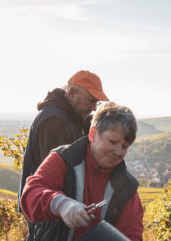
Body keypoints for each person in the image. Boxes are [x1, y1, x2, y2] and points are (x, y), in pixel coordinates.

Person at [20, 102, 144, 241]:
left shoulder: (127, 188)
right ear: (93, 134)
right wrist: (60, 204)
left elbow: (132, 236)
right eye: (113, 142)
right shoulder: (63, 160)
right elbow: (31, 195)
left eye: (124, 146)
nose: (118, 152)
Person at [19, 70, 109, 198]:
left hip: (57, 202)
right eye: (90, 101)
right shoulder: (53, 121)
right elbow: (57, 175)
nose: (94, 108)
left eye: (97, 103)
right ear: (72, 93)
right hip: (46, 204)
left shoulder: (75, 118)